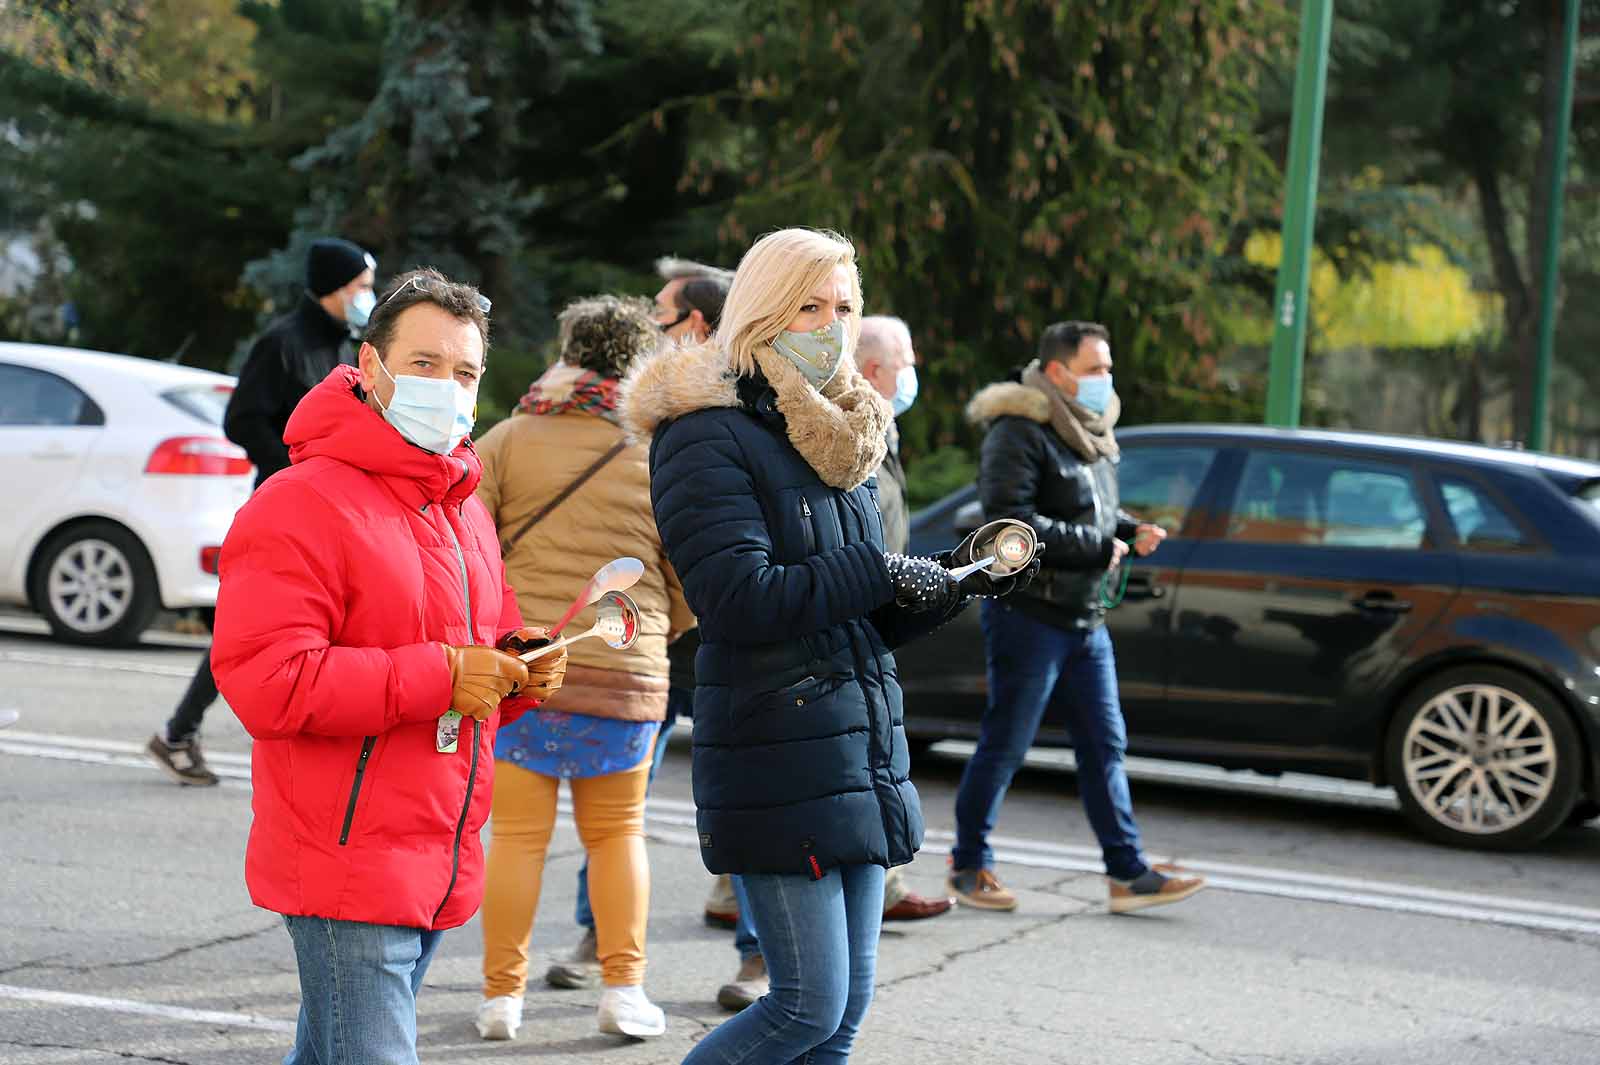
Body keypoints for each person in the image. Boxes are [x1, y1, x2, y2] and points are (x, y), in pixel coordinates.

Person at [622, 227, 1030, 1064]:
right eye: (809, 303)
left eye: (844, 306)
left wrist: (955, 580)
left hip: (853, 748)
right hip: (777, 747)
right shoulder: (704, 432)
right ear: (762, 308)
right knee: (805, 1007)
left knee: (841, 1020)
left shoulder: (838, 434)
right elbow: (739, 599)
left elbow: (861, 613)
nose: (831, 323)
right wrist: (879, 569)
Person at [210, 268, 568, 1065]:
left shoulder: (463, 506)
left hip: (433, 855)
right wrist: (444, 673)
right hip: (348, 862)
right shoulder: (298, 501)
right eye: (425, 365)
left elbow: (480, 648)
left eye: (466, 372)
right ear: (371, 369)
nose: (448, 387)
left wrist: (517, 669)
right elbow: (270, 681)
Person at [473, 295, 693, 1042]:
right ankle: (622, 989)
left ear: (566, 354)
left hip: (527, 668)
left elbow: (473, 553)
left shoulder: (506, 437)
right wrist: (655, 634)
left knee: (517, 839)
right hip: (625, 669)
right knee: (617, 834)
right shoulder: (660, 449)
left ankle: (502, 997)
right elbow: (688, 571)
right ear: (639, 363)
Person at [950, 320, 1206, 914]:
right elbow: (1009, 521)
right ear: (1059, 373)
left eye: (1107, 368)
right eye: (1096, 369)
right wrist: (1098, 545)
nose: (1106, 379)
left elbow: (1087, 512)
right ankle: (968, 865)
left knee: (1104, 745)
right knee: (1007, 744)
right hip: (1030, 613)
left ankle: (1128, 874)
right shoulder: (1018, 431)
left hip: (1085, 617)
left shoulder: (1088, 431)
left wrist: (1126, 529)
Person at [145, 237, 376, 786]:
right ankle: (180, 732)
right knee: (252, 626)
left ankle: (328, 752)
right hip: (286, 507)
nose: (369, 297)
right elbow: (242, 419)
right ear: (335, 288)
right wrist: (292, 468)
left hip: (339, 509)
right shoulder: (281, 344)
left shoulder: (349, 346)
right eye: (362, 287)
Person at [853, 316, 953, 923]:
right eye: (907, 360)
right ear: (874, 371)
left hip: (874, 616)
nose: (913, 372)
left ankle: (884, 883)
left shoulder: (881, 429)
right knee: (866, 758)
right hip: (855, 618)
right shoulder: (855, 434)